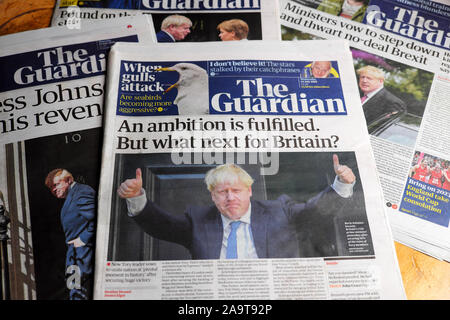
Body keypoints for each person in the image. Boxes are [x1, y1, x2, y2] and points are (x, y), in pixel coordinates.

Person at [117, 155, 356, 259]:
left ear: (249, 191)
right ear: (213, 196)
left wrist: (341, 184)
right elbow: (163, 226)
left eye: (236, 190)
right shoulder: (198, 220)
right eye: (222, 192)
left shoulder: (279, 210)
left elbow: (315, 210)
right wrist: (137, 196)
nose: (230, 197)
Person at [45, 169, 96, 300]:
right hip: (75, 255)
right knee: (75, 292)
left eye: (56, 184)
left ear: (69, 180)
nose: (54, 189)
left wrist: (83, 239)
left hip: (82, 255)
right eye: (51, 187)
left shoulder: (82, 192)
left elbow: (99, 218)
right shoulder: (73, 195)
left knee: (78, 294)